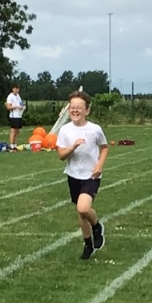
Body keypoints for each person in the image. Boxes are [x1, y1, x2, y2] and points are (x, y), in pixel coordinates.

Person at [56, 90, 109, 260]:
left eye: (79, 107)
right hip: (73, 175)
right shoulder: (65, 130)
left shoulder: (95, 129)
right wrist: (72, 147)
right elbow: (61, 155)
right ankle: (88, 245)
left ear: (87, 110)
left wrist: (99, 165)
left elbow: (104, 147)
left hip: (91, 175)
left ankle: (97, 226)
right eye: (72, 107)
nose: (75, 110)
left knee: (83, 208)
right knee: (81, 213)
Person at [6, 83, 26, 149]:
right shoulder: (10, 96)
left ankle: (15, 144)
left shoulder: (18, 96)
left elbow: (20, 103)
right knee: (13, 130)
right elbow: (8, 107)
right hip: (13, 115)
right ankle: (11, 145)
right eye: (16, 89)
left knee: (17, 131)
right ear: (13, 89)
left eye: (18, 89)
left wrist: (22, 106)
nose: (17, 90)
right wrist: (16, 107)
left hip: (19, 115)